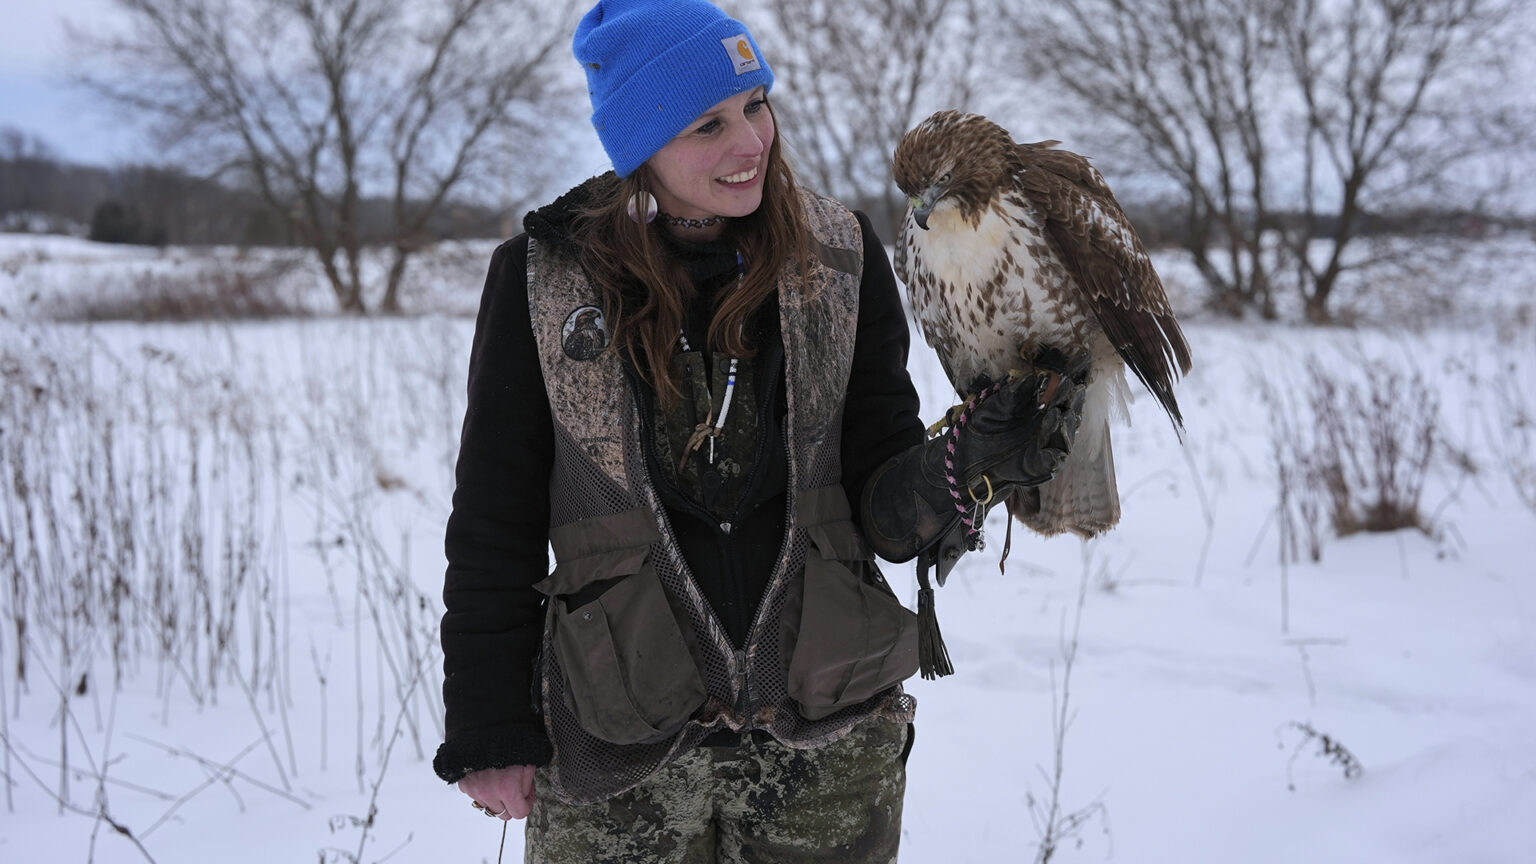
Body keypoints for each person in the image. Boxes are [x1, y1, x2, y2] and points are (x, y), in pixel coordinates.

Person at [432, 0, 1089, 860]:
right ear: (638, 142)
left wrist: (960, 468)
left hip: (824, 732)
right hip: (617, 740)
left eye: (756, 105)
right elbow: (494, 520)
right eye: (706, 124)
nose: (750, 143)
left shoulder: (843, 257)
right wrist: (489, 725)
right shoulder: (543, 279)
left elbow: (880, 509)